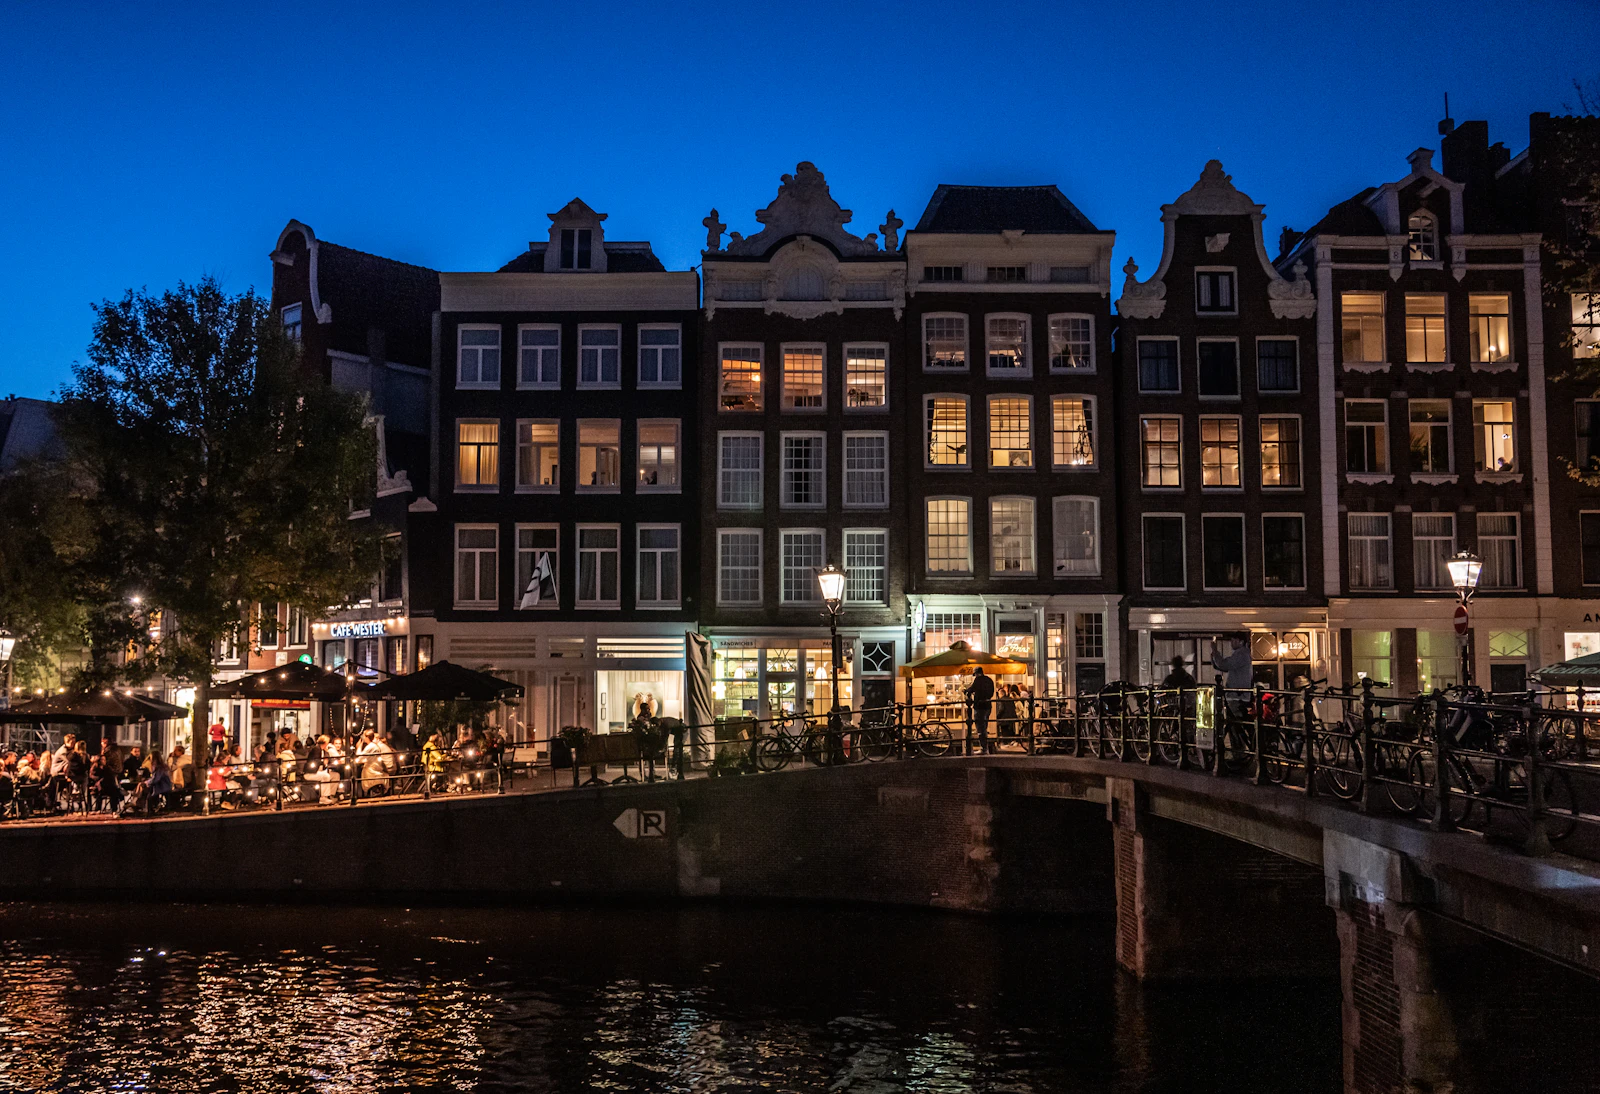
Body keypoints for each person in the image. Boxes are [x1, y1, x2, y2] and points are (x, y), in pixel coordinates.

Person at [1210, 636, 1254, 719]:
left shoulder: (1241, 654)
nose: (1231, 643)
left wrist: (1215, 651)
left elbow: (1224, 665)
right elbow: (1222, 666)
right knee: (1234, 721)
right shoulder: (1242, 654)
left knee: (1236, 720)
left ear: (1241, 642)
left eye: (1234, 641)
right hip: (1237, 695)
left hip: (1238, 696)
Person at [965, 667, 996, 754]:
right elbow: (991, 693)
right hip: (988, 705)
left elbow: (971, 689)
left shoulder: (978, 680)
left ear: (977, 674)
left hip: (979, 706)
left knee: (980, 728)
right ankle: (985, 748)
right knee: (984, 726)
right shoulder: (989, 680)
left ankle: (984, 748)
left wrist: (967, 691)